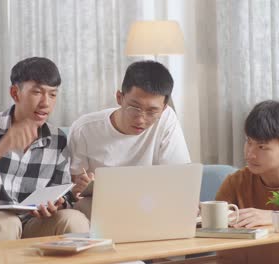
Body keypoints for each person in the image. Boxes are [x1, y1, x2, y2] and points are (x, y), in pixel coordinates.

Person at [0, 57, 89, 242]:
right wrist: (1, 147)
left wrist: (58, 203)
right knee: (6, 223)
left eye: (52, 94)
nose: (45, 103)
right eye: (37, 92)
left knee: (74, 219)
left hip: (35, 223)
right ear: (15, 93)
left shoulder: (57, 139)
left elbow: (60, 194)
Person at [69, 60, 191, 219]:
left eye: (152, 111)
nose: (141, 119)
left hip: (151, 203)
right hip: (102, 204)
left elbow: (178, 179)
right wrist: (82, 186)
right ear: (119, 97)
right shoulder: (84, 129)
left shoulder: (167, 119)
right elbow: (75, 191)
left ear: (164, 108)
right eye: (134, 108)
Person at [216, 100, 279, 229]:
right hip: (246, 250)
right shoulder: (236, 181)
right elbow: (215, 232)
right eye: (249, 142)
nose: (250, 154)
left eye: (262, 147)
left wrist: (276, 218)